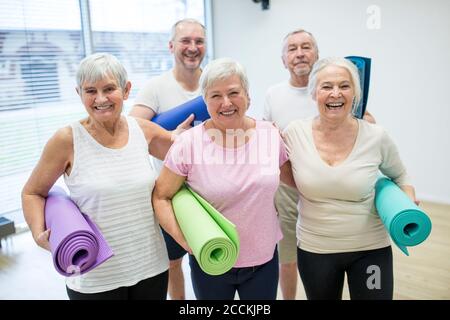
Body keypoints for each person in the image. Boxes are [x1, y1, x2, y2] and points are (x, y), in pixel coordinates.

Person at [21, 53, 193, 300]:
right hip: (94, 278)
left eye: (109, 88)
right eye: (90, 90)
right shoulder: (67, 140)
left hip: (151, 268)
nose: (100, 99)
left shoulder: (141, 129)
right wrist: (39, 234)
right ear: (79, 93)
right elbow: (32, 192)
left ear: (126, 90)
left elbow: (181, 152)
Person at [152, 58, 294, 300]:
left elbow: (297, 179)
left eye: (233, 93)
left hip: (263, 259)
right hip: (210, 260)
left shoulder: (270, 135)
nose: (226, 103)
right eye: (215, 95)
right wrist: (186, 241)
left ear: (248, 96)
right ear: (204, 101)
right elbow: (161, 196)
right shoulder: (189, 143)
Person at [282, 57, 418, 299]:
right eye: (326, 86)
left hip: (370, 249)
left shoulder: (376, 136)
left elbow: (401, 175)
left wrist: (407, 202)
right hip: (316, 250)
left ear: (355, 92)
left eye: (344, 86)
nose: (336, 94)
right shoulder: (294, 133)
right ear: (314, 93)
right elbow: (273, 164)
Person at [263, 29, 376, 300]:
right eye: (292, 48)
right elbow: (268, 134)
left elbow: (365, 123)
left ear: (317, 55)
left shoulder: (335, 89)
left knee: (335, 250)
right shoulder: (273, 94)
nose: (300, 53)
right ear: (283, 60)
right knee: (287, 254)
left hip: (332, 184)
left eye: (306, 47)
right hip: (289, 184)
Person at [129, 18, 206, 300]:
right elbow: (130, 129)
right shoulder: (156, 87)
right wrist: (170, 134)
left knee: (207, 258)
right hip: (170, 193)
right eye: (186, 41)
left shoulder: (213, 83)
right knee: (174, 262)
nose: (192, 47)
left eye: (199, 41)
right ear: (171, 46)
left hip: (211, 189)